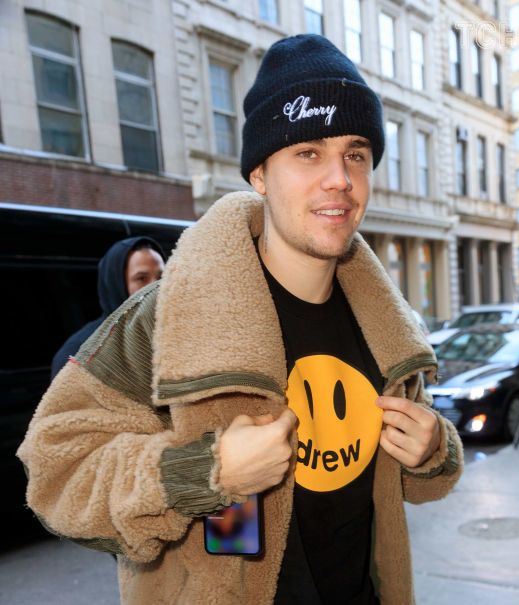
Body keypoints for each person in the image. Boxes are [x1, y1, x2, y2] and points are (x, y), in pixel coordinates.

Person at [18, 34, 463, 604]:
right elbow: (56, 475)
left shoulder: (385, 327)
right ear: (259, 174)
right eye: (308, 153)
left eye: (356, 153)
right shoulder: (168, 316)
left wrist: (433, 449)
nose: (340, 179)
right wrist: (206, 472)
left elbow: (416, 484)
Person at [50, 236, 166, 379]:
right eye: (141, 278)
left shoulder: (173, 337)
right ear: (117, 285)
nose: (157, 287)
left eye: (161, 277)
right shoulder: (80, 353)